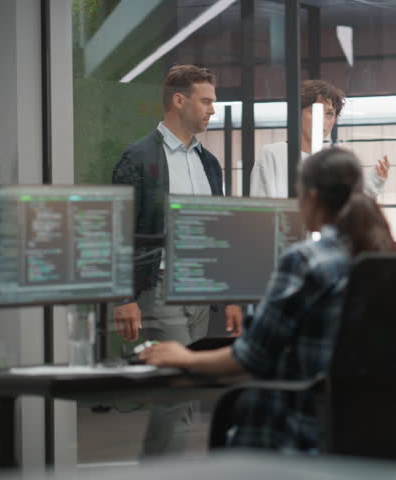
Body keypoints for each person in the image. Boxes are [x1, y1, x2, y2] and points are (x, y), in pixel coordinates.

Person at [140, 148, 396, 451]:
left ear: (311, 198)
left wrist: (185, 357)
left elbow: (250, 357)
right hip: (357, 436)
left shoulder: (305, 261)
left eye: (299, 195)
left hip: (291, 435)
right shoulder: (382, 261)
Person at [112, 64, 243, 457]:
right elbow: (119, 230)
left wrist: (231, 293)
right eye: (206, 101)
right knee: (176, 392)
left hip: (199, 289)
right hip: (158, 288)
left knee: (184, 396)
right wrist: (123, 296)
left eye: (214, 103)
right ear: (178, 100)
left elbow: (220, 232)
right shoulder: (137, 158)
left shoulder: (209, 164)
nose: (212, 111)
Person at [250, 80, 390, 198]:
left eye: (329, 114)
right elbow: (261, 207)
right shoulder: (273, 154)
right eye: (314, 112)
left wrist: (374, 181)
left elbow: (344, 206)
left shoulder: (332, 163)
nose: (321, 120)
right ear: (297, 113)